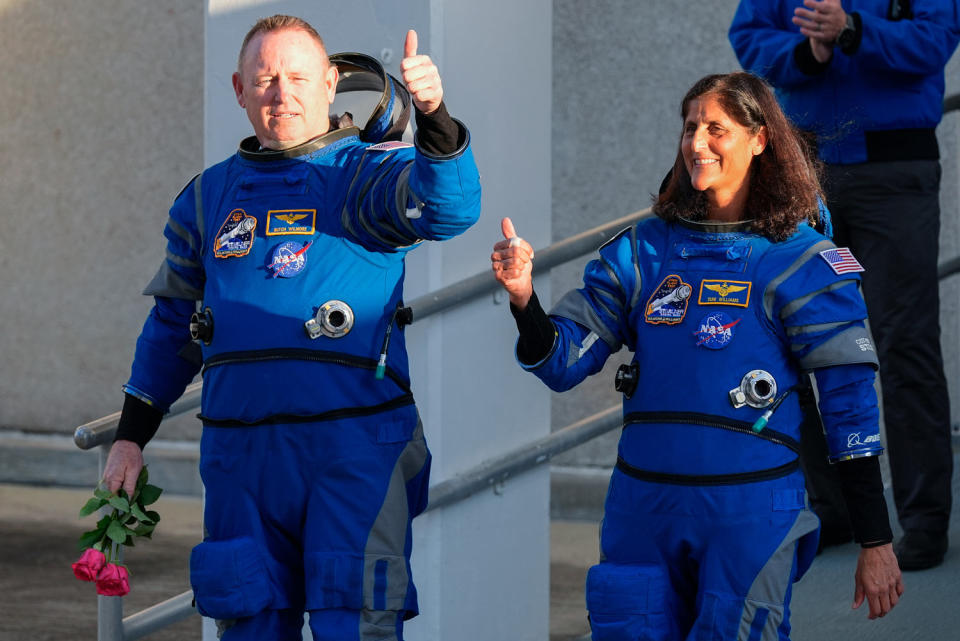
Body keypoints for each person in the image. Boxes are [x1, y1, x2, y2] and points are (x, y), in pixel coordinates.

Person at [100, 14, 481, 641]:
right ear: (239, 89)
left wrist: (436, 116)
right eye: (266, 78)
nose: (283, 92)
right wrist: (129, 436)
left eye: (299, 76)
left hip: (352, 451)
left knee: (353, 622)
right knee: (247, 621)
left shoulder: (365, 174)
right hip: (240, 458)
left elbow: (448, 208)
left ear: (331, 83)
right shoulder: (208, 198)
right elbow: (173, 323)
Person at [492, 72, 902, 639]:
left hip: (749, 512)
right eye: (689, 128)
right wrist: (523, 300)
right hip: (644, 507)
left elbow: (849, 413)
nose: (697, 143)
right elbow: (564, 361)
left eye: (716, 128)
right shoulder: (645, 251)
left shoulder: (803, 260)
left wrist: (874, 540)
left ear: (760, 139)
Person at [729, 0, 958, 571]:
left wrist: (855, 31)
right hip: (805, 175)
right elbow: (750, 37)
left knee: (905, 344)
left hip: (893, 175)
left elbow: (935, 41)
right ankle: (830, 510)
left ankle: (924, 521)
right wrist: (810, 51)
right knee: (794, 340)